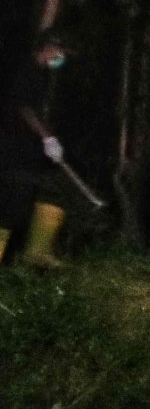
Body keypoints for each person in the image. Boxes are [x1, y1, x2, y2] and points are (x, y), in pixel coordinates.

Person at [1, 31, 72, 268]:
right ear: (48, 47)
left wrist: (51, 137)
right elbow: (23, 108)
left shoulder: (41, 75)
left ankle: (37, 252)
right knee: (12, 203)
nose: (61, 57)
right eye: (60, 52)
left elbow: (38, 113)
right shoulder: (26, 70)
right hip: (13, 148)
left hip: (28, 150)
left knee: (46, 192)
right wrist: (47, 138)